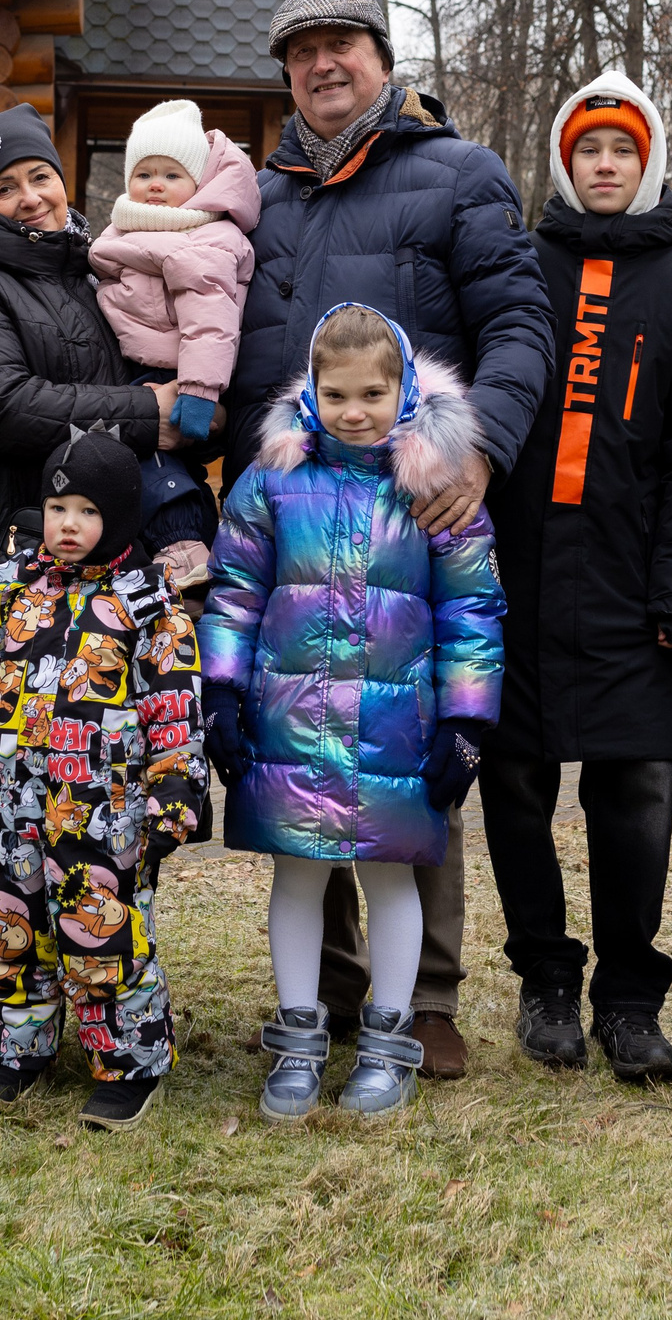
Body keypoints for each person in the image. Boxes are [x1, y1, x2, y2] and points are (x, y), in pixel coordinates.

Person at [220, 0, 554, 1080]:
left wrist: (478, 448)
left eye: (342, 45)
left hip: (417, 512)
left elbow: (520, 324)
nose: (323, 64)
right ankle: (328, 995)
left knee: (410, 753)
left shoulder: (457, 173)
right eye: (301, 50)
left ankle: (428, 999)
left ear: (382, 55)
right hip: (295, 519)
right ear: (285, 75)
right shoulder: (260, 199)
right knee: (303, 745)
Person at [201, 304, 505, 1121]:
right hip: (291, 722)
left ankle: (390, 1036)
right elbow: (234, 592)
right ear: (311, 390)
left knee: (392, 874)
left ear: (405, 389)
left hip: (396, 727)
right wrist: (220, 691)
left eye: (373, 393)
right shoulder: (272, 481)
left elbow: (473, 611)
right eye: (336, 394)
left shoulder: (435, 487)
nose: (355, 411)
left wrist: (467, 722)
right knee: (297, 874)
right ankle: (299, 1035)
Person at [483, 72, 672, 1086]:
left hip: (632, 581)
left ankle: (629, 999)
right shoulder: (520, 265)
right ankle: (545, 979)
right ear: (564, 161)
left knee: (635, 789)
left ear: (650, 160)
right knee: (514, 780)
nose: (607, 163)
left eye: (624, 148)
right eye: (589, 148)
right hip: (520, 576)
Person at [0, 102, 176, 1045]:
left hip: (100, 562)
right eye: (5, 187)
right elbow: (0, 402)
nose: (31, 197)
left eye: (40, 176)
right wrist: (150, 412)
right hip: (23, 563)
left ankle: (98, 989)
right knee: (10, 783)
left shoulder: (82, 260)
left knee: (94, 778)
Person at [0, 429, 209, 1132]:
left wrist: (174, 800)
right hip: (12, 809)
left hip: (105, 816)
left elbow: (176, 712)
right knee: (10, 928)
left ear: (122, 516)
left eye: (88, 511)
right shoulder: (15, 599)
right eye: (57, 508)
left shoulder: (149, 609)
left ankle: (129, 1064)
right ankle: (17, 1052)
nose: (68, 524)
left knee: (101, 933)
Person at [88, 98, 260, 583]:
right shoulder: (130, 230)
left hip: (181, 372)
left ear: (198, 184)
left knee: (150, 455)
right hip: (137, 363)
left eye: (171, 174)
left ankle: (182, 545)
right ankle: (185, 543)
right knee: (148, 461)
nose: (155, 185)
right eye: (143, 174)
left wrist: (200, 391)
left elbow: (211, 320)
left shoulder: (204, 237)